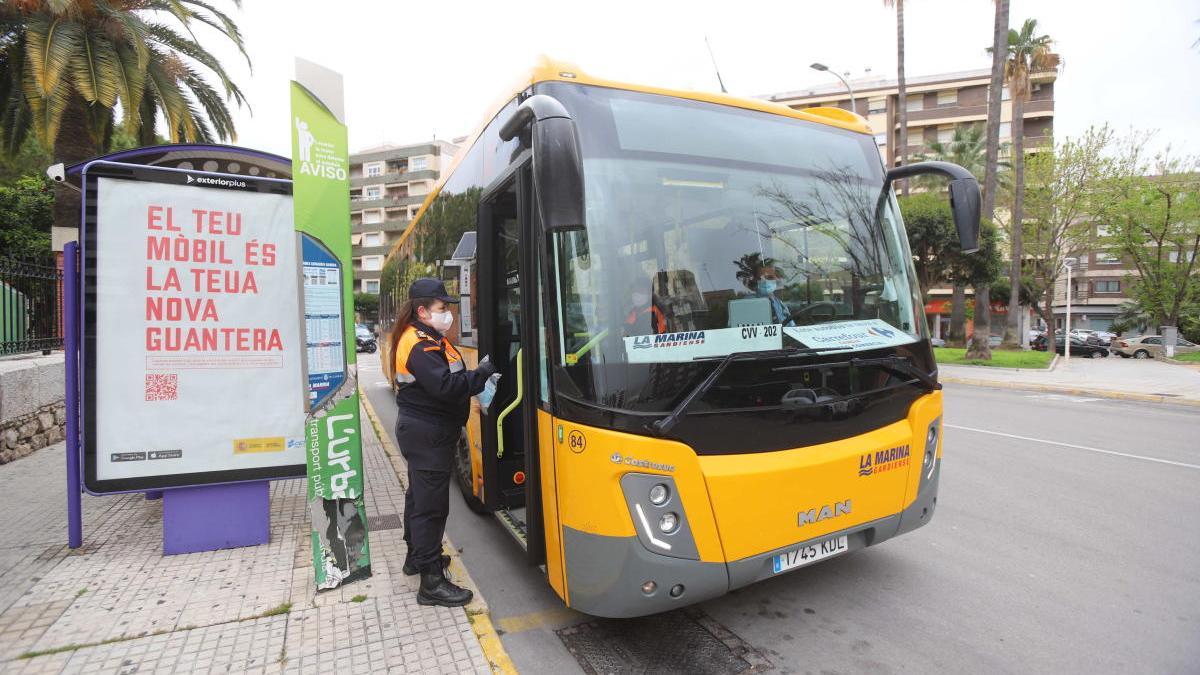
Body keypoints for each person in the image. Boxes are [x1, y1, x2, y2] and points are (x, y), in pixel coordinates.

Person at [388, 277, 496, 607]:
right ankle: (431, 582)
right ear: (421, 310)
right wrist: (482, 373)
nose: (447, 313)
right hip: (427, 434)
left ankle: (417, 558)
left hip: (429, 432)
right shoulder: (417, 343)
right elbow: (445, 386)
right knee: (431, 507)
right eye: (441, 308)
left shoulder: (430, 337)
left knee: (420, 497)